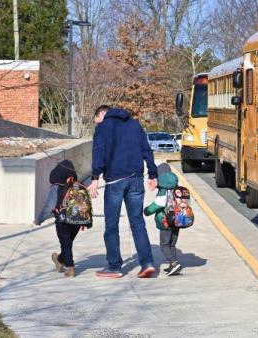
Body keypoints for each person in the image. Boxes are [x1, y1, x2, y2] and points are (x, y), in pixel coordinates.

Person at [89, 105, 157, 279]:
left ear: (102, 114)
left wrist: (95, 178)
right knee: (137, 223)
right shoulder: (135, 125)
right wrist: (152, 173)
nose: (97, 125)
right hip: (136, 181)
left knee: (111, 225)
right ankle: (147, 264)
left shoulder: (103, 128)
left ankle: (114, 267)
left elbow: (98, 154)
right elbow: (146, 150)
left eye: (97, 121)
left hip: (115, 182)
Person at [34, 159, 91, 277]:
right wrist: (87, 221)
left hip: (63, 221)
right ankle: (59, 260)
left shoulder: (56, 187)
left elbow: (48, 206)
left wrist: (39, 220)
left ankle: (70, 267)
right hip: (77, 222)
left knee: (66, 244)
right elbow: (84, 206)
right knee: (67, 244)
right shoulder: (78, 186)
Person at [144, 163, 183, 276]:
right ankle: (173, 266)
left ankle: (173, 263)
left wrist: (147, 211)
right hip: (177, 220)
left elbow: (159, 203)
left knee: (164, 244)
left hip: (166, 222)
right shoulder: (175, 186)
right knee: (172, 244)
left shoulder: (163, 189)